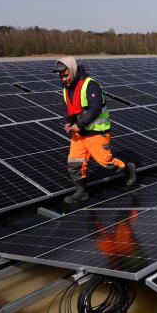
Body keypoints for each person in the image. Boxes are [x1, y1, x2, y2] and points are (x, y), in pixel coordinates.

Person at [53, 56, 137, 204]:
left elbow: (95, 109)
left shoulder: (91, 85)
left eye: (65, 75)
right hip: (79, 134)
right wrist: (68, 122)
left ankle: (128, 168)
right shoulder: (66, 89)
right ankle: (81, 191)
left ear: (73, 70)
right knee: (74, 162)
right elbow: (67, 110)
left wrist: (78, 125)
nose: (63, 79)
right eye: (61, 76)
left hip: (96, 132)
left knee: (106, 163)